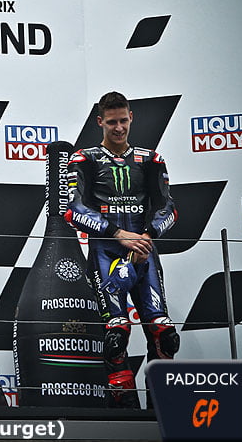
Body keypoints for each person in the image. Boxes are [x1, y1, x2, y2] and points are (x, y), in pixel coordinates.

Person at [65, 91, 179, 408]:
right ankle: (125, 413)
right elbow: (73, 211)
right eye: (112, 122)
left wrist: (146, 236)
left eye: (123, 121)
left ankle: (161, 410)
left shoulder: (151, 159)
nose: (118, 128)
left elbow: (169, 208)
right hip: (106, 255)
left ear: (131, 118)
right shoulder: (84, 159)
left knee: (164, 335)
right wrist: (119, 235)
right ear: (100, 122)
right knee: (116, 336)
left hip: (145, 253)